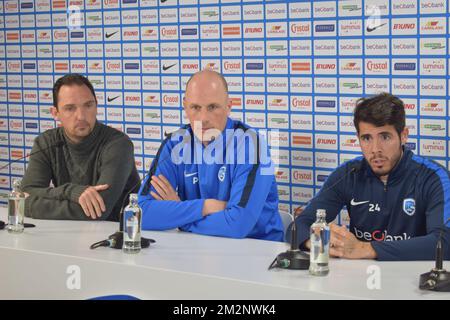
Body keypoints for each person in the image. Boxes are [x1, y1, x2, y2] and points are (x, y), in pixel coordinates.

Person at [289, 92, 450, 260]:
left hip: (412, 279)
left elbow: (444, 243)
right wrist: (315, 240)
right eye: (366, 138)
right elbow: (298, 226)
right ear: (358, 138)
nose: (375, 149)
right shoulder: (348, 173)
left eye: (385, 137)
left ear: (403, 135)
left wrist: (367, 248)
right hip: (360, 277)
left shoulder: (433, 177)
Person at [138, 70, 283, 241]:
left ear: (229, 106)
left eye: (212, 107)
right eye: (195, 107)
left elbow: (237, 225)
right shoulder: (175, 144)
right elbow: (140, 213)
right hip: (198, 248)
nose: (203, 118)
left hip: (258, 253)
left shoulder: (252, 146)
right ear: (185, 106)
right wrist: (204, 207)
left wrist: (181, 217)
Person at [21, 74, 140, 221]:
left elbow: (97, 211)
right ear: (55, 113)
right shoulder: (46, 142)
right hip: (67, 233)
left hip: (116, 235)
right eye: (70, 108)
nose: (81, 116)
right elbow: (26, 192)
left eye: (88, 105)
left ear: (96, 106)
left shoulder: (118, 144)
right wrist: (71, 191)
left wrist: (29, 206)